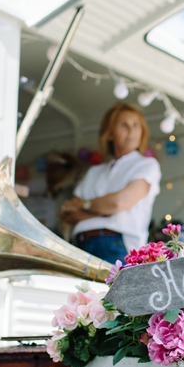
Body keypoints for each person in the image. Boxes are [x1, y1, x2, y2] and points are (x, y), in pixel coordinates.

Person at [60, 103, 161, 264]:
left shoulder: (147, 165)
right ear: (110, 133)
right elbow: (69, 214)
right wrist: (105, 209)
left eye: (136, 125)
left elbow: (118, 202)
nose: (131, 130)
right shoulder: (94, 171)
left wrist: (86, 205)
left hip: (115, 243)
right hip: (80, 245)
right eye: (124, 125)